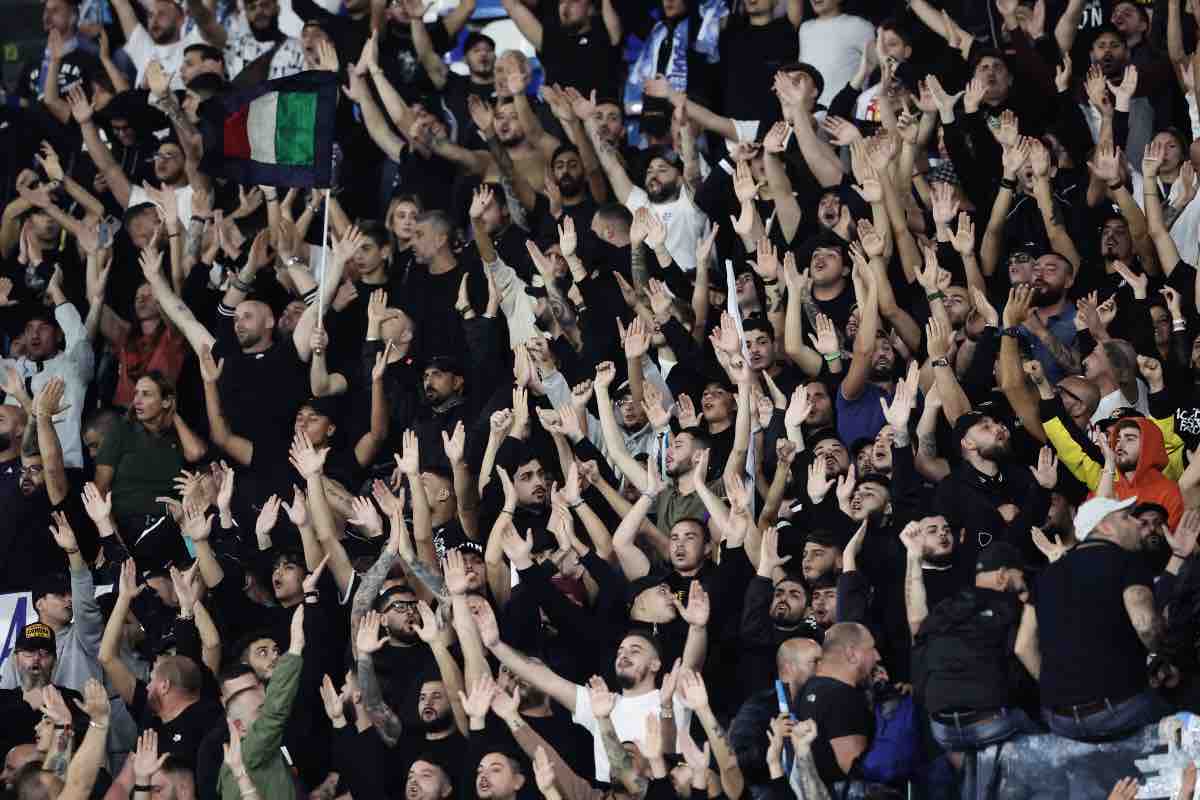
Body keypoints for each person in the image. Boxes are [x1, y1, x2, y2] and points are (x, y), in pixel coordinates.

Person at [1027, 496, 1175, 741]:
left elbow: (1023, 646)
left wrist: (1060, 692)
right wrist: (1165, 659)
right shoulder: (1127, 562)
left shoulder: (1047, 575)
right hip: (1118, 709)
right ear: (1105, 528)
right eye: (1125, 518)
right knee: (1182, 715)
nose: (1136, 523)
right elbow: (1145, 624)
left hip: (1058, 717)